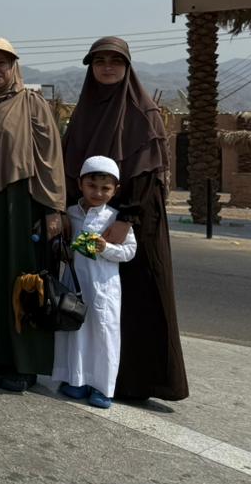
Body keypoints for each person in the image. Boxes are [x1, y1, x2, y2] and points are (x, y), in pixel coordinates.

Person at [61, 36, 189, 401]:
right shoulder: (85, 111)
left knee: (139, 297)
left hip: (133, 221)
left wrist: (126, 219)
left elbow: (148, 175)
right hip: (87, 219)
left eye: (115, 61)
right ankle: (86, 374)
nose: (107, 67)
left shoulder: (141, 113)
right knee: (90, 302)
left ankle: (136, 382)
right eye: (99, 61)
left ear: (127, 67)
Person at [0, 38, 66, 393]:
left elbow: (50, 158)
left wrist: (53, 209)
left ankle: (26, 363)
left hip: (19, 204)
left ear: (13, 67)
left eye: (1, 64)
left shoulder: (31, 105)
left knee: (22, 281)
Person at [53, 156, 136, 409]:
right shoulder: (71, 213)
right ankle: (76, 380)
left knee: (103, 334)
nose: (98, 193)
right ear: (80, 184)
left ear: (115, 190)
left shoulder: (114, 219)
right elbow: (62, 243)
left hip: (103, 287)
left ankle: (102, 387)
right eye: (92, 186)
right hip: (75, 283)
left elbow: (129, 251)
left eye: (105, 188)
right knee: (76, 331)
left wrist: (106, 247)